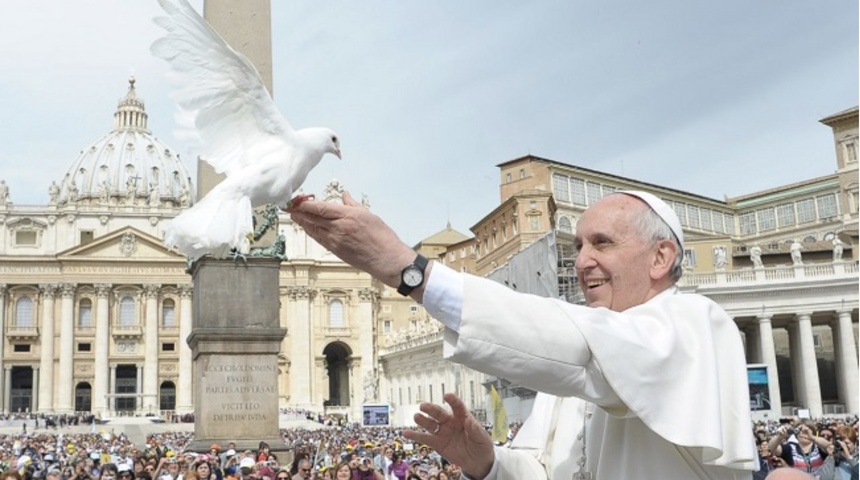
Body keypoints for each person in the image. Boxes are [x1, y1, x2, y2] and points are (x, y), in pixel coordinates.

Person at [289, 190, 756, 479]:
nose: (582, 260)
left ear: (660, 258)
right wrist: (487, 462)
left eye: (603, 243)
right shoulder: (576, 373)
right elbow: (539, 470)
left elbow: (583, 346)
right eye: (578, 246)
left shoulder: (697, 323)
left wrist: (410, 271)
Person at [767, 421, 833, 479]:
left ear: (813, 431)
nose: (803, 433)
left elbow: (829, 446)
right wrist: (779, 437)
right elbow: (771, 449)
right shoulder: (790, 448)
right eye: (799, 430)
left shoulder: (818, 447)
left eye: (806, 430)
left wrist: (812, 437)